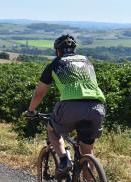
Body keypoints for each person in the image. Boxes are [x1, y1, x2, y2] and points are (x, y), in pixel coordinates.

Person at [25, 34, 106, 174]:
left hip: (71, 106)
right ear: (74, 49)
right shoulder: (87, 61)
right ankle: (88, 180)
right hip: (97, 106)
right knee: (87, 150)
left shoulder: (55, 64)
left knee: (52, 130)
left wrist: (31, 111)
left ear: (58, 50)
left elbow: (39, 93)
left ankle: (64, 160)